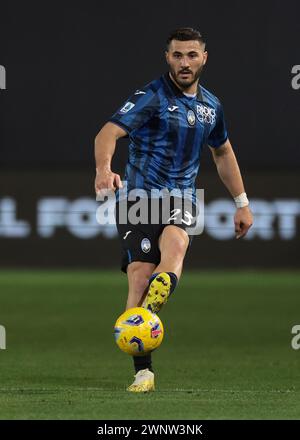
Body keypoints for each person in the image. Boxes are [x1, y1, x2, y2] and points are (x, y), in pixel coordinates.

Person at [94, 27, 253, 393]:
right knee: (138, 277)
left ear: (204, 58)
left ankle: (159, 292)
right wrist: (104, 168)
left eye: (192, 55)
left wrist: (242, 202)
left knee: (176, 244)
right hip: (137, 201)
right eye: (178, 55)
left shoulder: (212, 106)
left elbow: (223, 152)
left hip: (181, 198)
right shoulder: (150, 97)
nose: (185, 62)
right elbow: (107, 133)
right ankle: (143, 370)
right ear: (167, 57)